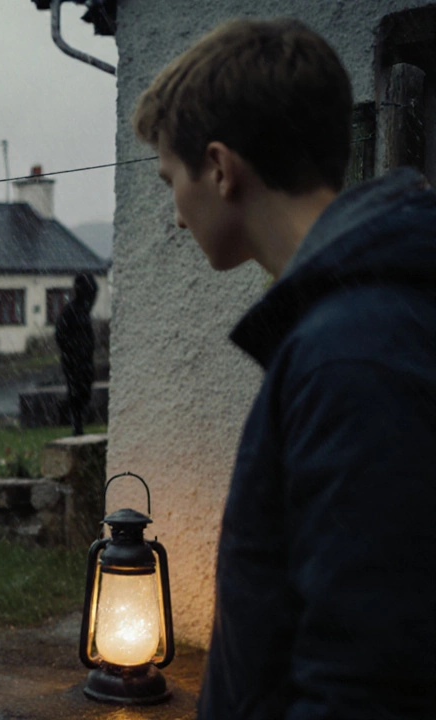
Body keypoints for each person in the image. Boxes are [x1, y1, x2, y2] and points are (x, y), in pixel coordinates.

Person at [133, 18, 436, 719]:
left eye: (170, 179)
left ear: (219, 167)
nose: (177, 215)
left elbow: (366, 677)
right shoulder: (357, 322)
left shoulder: (354, 353)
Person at [54, 273, 97, 436]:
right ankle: (76, 425)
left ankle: (78, 421)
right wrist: (73, 351)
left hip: (84, 360)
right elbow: (60, 336)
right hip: (74, 361)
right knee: (76, 391)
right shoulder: (70, 311)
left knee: (84, 391)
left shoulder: (82, 311)